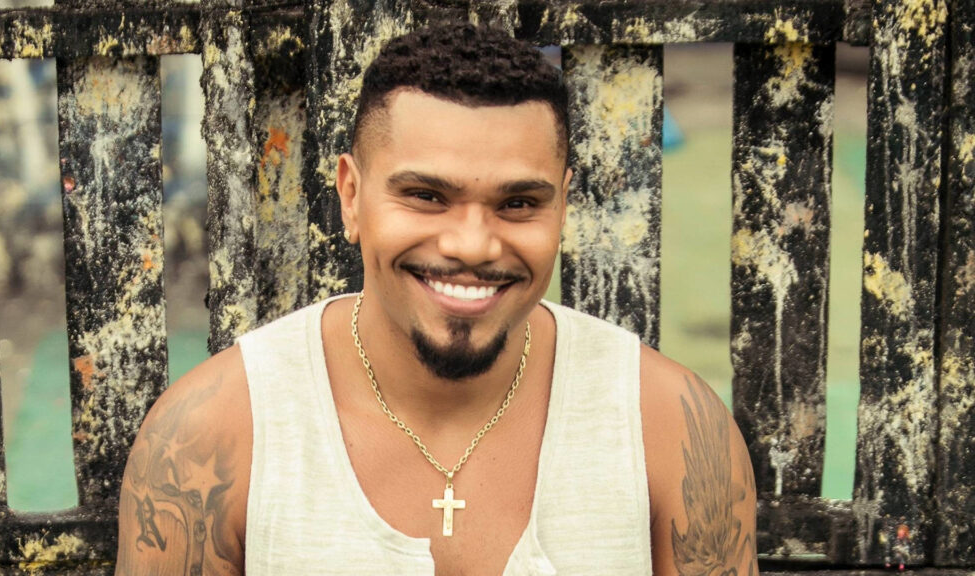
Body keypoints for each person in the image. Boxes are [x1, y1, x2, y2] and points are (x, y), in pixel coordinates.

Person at [115, 21, 757, 575]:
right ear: (350, 196)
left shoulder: (671, 428)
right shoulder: (209, 439)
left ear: (563, 206)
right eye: (426, 196)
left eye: (519, 203)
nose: (473, 244)